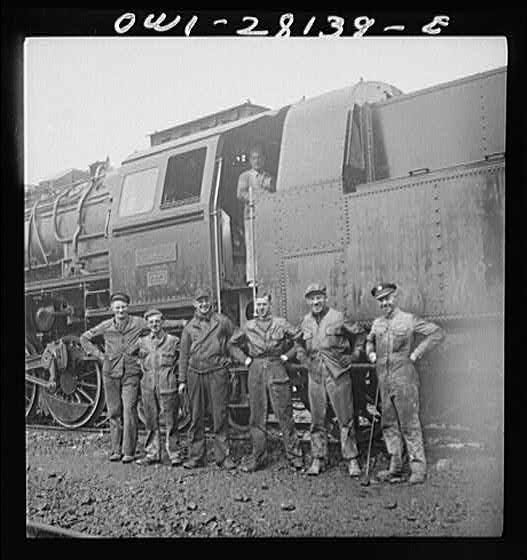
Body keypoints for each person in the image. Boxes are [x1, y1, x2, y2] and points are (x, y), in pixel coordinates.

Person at [80, 292, 185, 464]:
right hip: (110, 373)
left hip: (130, 373)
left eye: (123, 307)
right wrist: (100, 355)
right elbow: (84, 338)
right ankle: (115, 450)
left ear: (127, 308)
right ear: (112, 309)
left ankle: (128, 451)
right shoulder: (106, 325)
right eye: (117, 307)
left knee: (129, 410)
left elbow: (158, 323)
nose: (121, 310)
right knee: (114, 412)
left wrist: (181, 323)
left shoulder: (137, 322)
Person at [366, 282, 445, 485]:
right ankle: (396, 467)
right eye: (381, 300)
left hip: (405, 379)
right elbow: (369, 340)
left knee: (410, 424)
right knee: (389, 424)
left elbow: (437, 333)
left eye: (388, 298)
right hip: (383, 379)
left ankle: (418, 469)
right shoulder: (377, 324)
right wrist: (370, 353)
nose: (385, 303)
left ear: (395, 298)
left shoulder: (409, 320)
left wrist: (417, 353)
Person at [228, 293, 304, 472]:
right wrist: (246, 360)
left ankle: (295, 455)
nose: (261, 308)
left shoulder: (281, 323)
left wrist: (288, 356)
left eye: (264, 304)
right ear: (255, 307)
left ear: (270, 305)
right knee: (257, 415)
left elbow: (299, 338)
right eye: (258, 305)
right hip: (255, 369)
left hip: (276, 366)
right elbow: (231, 345)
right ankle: (258, 456)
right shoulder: (248, 326)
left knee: (284, 412)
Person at [297, 284, 366, 477]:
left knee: (345, 418)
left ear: (325, 298)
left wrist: (354, 355)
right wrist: (302, 357)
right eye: (312, 299)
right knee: (317, 419)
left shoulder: (338, 317)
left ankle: (351, 459)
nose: (316, 302)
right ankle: (318, 458)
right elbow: (298, 341)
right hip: (315, 374)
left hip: (338, 373)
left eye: (319, 297)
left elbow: (360, 334)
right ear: (308, 301)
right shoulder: (305, 321)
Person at [178, 288, 237, 470]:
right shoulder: (189, 327)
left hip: (217, 372)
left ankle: (223, 457)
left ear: (211, 302)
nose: (204, 304)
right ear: (195, 304)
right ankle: (196, 456)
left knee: (220, 415)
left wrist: (229, 357)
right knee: (195, 417)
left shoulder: (222, 321)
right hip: (195, 373)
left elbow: (237, 337)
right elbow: (184, 355)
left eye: (206, 301)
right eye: (200, 301)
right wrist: (182, 380)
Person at [134, 309, 183, 467]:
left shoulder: (173, 341)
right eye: (151, 322)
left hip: (167, 385)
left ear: (162, 322)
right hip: (148, 385)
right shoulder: (142, 342)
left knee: (171, 421)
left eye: (157, 321)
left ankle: (174, 453)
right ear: (147, 324)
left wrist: (180, 379)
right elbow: (132, 357)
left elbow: (182, 361)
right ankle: (152, 453)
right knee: (150, 421)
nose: (154, 324)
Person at [236, 145, 274, 287]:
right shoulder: (244, 176)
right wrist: (258, 197)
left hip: (266, 216)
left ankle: (266, 274)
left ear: (263, 159)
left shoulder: (268, 176)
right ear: (250, 160)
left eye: (259, 158)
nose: (257, 161)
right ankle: (252, 278)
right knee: (252, 246)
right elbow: (240, 194)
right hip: (251, 215)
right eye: (254, 158)